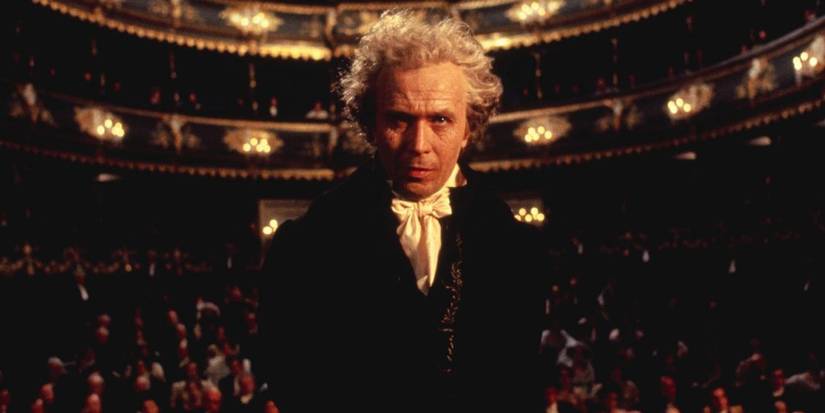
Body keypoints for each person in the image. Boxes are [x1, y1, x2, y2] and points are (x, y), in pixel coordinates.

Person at [259, 9, 547, 413]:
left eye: (440, 120)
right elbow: (293, 381)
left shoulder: (515, 247)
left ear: (468, 129)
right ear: (371, 125)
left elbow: (518, 382)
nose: (419, 145)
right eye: (399, 120)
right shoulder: (306, 244)